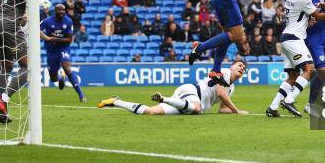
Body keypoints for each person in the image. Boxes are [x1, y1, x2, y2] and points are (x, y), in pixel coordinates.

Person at [266, 0, 325, 118]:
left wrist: (307, 22)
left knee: (293, 76)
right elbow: (318, 15)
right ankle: (289, 100)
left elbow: (302, 16)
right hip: (294, 39)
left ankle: (273, 107)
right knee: (310, 70)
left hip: (286, 38)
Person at [98, 60, 249, 115]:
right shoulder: (225, 72)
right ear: (232, 66)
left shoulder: (232, 87)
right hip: (191, 92)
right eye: (239, 65)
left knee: (151, 112)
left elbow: (222, 109)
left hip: (188, 103)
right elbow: (221, 94)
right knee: (196, 108)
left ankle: (115, 101)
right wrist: (237, 111)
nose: (242, 68)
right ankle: (163, 98)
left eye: (244, 68)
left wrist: (232, 111)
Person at [40, 4, 86, 103]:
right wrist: (46, 38)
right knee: (53, 78)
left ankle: (81, 95)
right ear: (55, 11)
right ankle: (61, 78)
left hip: (63, 48)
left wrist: (52, 38)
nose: (62, 12)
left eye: (63, 10)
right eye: (59, 10)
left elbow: (69, 40)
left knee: (67, 69)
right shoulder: (47, 21)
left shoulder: (68, 21)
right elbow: (37, 30)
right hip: (51, 50)